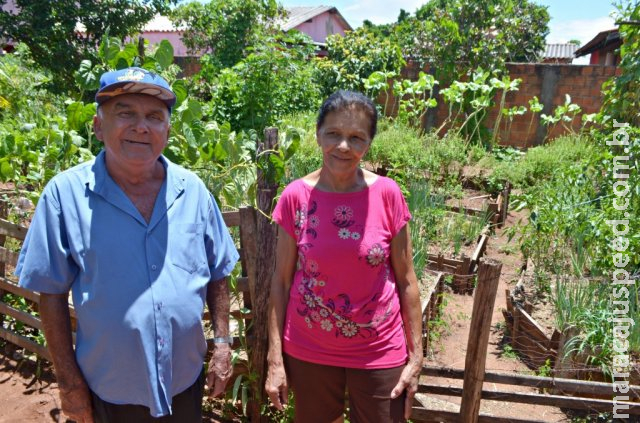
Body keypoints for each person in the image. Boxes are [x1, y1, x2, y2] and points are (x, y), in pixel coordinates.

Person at [16, 67, 239, 423]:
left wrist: (224, 346)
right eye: (126, 114)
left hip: (184, 381)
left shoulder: (193, 189)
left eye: (154, 117)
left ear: (168, 130)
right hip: (109, 390)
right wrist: (69, 383)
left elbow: (219, 272)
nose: (141, 127)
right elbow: (51, 293)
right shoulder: (65, 195)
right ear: (98, 126)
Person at [265, 90, 423, 422]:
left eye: (356, 137)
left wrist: (416, 357)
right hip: (309, 348)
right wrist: (275, 361)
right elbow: (280, 282)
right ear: (318, 133)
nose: (343, 146)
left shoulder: (387, 195)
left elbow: (407, 281)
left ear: (369, 144)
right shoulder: (296, 196)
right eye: (333, 133)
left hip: (379, 348)